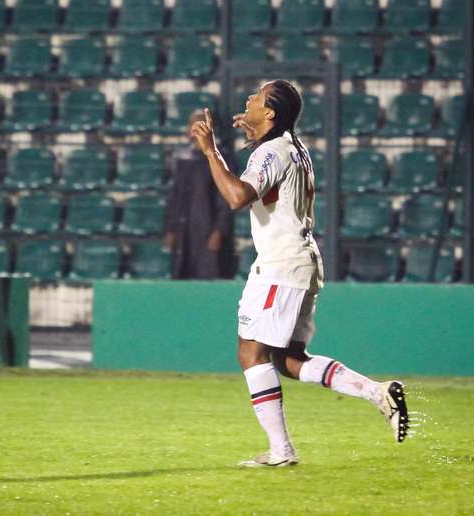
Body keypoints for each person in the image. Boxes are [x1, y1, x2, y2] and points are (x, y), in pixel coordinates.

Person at [190, 80, 408, 467]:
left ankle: (281, 452)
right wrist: (256, 132)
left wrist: (211, 152)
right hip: (300, 263)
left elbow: (238, 197)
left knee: (251, 354)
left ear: (271, 112)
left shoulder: (272, 152)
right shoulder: (290, 147)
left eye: (257, 97)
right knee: (288, 360)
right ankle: (378, 393)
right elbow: (272, 174)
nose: (249, 99)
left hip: (279, 266)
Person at [165, 109, 234, 279]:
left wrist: (219, 231)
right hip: (184, 230)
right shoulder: (182, 159)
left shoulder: (221, 158)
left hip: (208, 229)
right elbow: (175, 197)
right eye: (192, 126)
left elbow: (226, 199)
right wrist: (171, 229)